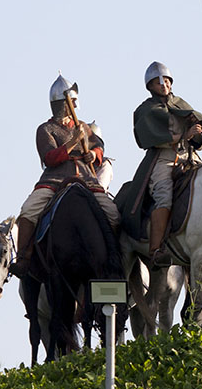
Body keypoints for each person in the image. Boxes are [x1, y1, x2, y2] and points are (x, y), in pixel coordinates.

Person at [9, 74, 121, 278]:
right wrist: (72, 143)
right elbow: (50, 157)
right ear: (62, 103)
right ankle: (24, 258)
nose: (75, 107)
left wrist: (93, 154)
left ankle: (116, 260)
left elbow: (99, 147)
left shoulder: (84, 127)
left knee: (113, 214)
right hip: (55, 180)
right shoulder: (45, 129)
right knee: (28, 211)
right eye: (72, 102)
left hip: (86, 180)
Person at [131, 62, 202, 267]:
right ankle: (156, 250)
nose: (163, 84)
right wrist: (184, 134)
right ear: (150, 86)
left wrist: (197, 130)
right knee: (164, 195)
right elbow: (150, 136)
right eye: (158, 81)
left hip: (189, 156)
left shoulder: (182, 104)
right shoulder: (146, 109)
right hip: (164, 158)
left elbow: (196, 137)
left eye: (166, 80)